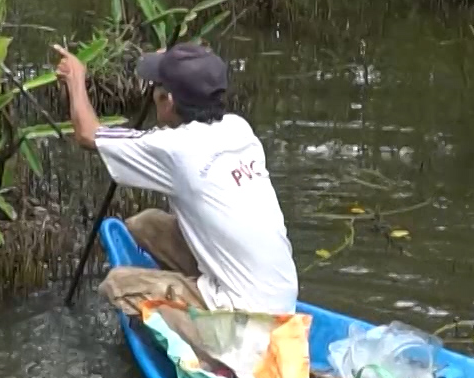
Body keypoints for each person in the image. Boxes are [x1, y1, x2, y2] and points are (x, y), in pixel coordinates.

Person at [54, 41, 298, 317]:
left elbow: (88, 134)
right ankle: (190, 294)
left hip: (245, 315)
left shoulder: (175, 149)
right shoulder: (238, 128)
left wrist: (75, 79)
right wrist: (171, 61)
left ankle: (200, 323)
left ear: (167, 99)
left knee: (117, 284)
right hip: (280, 294)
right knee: (146, 224)